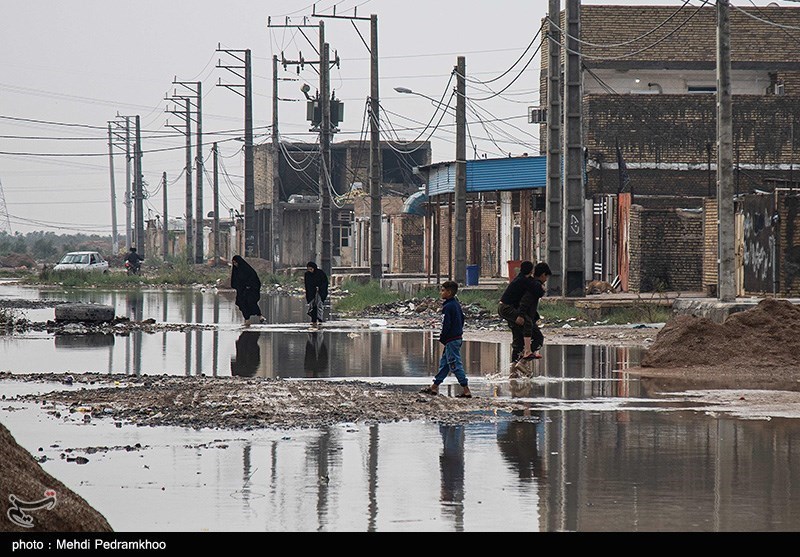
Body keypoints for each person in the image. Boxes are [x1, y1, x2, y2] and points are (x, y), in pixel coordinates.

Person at [420, 280, 472, 398]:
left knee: (454, 364)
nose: (441, 293)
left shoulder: (448, 307)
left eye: (443, 290)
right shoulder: (456, 304)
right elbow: (462, 320)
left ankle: (466, 389)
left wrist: (443, 337)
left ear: (449, 292)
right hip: (456, 338)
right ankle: (434, 387)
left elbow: (446, 324)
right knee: (445, 364)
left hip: (451, 340)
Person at [515, 262, 551, 369]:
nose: (546, 279)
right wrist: (521, 316)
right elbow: (525, 302)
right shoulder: (535, 287)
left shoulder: (533, 284)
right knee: (538, 338)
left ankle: (514, 371)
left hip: (524, 317)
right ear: (543, 275)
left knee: (518, 342)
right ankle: (521, 363)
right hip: (523, 317)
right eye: (546, 276)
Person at [497, 260, 535, 364]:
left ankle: (514, 367)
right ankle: (527, 351)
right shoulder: (522, 281)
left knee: (517, 336)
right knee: (527, 322)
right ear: (531, 270)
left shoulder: (522, 279)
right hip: (506, 308)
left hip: (507, 308)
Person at [230, 255, 265, 326]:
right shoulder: (236, 271)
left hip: (250, 290)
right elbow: (235, 281)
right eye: (233, 263)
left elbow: (254, 279)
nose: (235, 264)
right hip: (241, 291)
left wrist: (249, 286)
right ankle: (247, 320)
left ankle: (260, 316)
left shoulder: (247, 269)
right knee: (242, 304)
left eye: (236, 262)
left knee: (251, 302)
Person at [304, 261, 329, 325]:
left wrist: (319, 288)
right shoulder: (307, 275)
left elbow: (325, 282)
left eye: (311, 269)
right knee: (312, 306)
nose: (310, 271)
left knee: (319, 305)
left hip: (320, 292)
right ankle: (313, 320)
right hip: (311, 293)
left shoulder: (320, 273)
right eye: (309, 269)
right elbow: (307, 284)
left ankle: (320, 319)